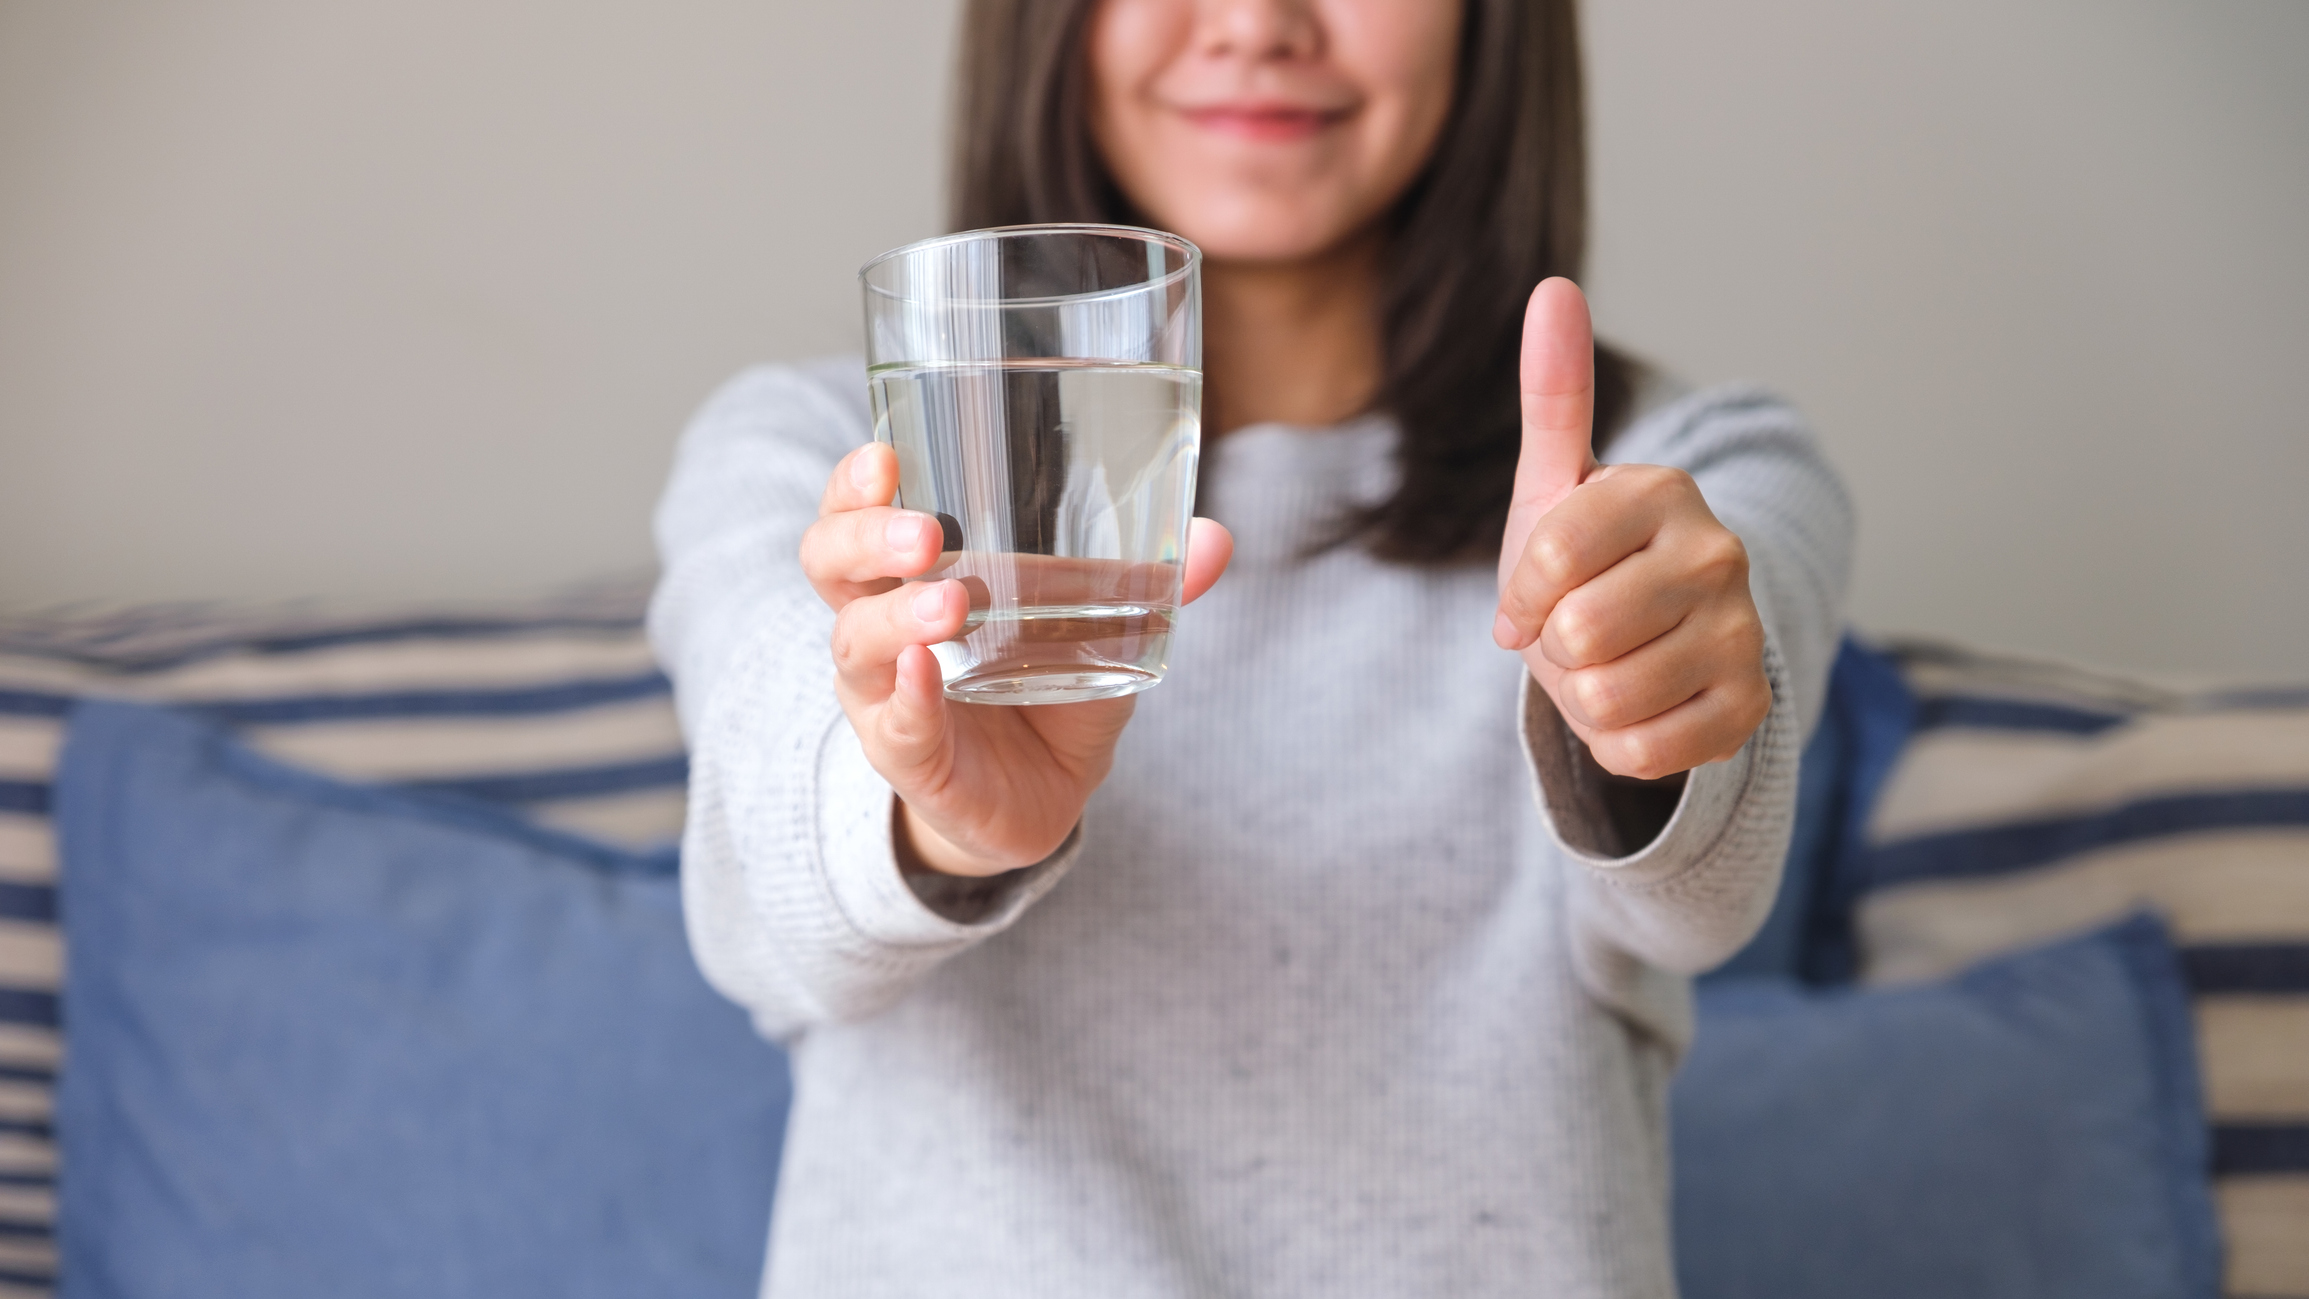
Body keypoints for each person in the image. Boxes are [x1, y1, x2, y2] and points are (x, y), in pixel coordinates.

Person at [649, 0, 1851, 1294]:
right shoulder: (808, 454)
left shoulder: (1692, 484)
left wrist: (1636, 708)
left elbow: (1699, 894)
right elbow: (765, 903)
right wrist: (938, 815)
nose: (1254, 22)